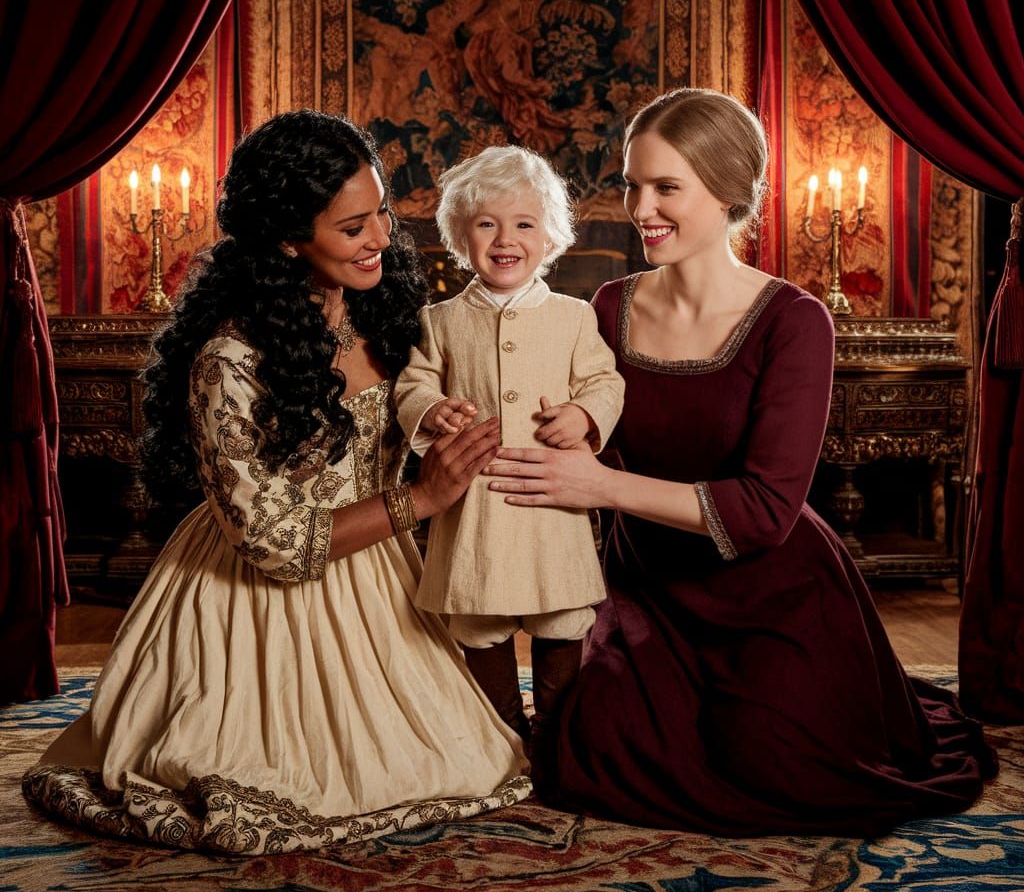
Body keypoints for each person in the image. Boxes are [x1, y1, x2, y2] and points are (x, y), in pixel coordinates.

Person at [483, 88, 996, 832]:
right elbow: (577, 434)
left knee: (775, 764)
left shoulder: (795, 321)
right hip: (648, 591)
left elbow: (763, 511)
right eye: (632, 184)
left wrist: (601, 483)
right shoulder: (606, 307)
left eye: (666, 188)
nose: (641, 207)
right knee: (597, 746)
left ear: (728, 194)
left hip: (773, 590)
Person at [22, 110, 530, 855]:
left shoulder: (390, 315)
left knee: (468, 760)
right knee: (279, 775)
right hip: (255, 591)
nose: (384, 239)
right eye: (354, 228)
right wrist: (421, 497)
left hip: (381, 577)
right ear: (291, 239)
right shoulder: (230, 359)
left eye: (383, 212)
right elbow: (274, 544)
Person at [393, 145, 624, 791]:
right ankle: (501, 739)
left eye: (523, 223)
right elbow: (412, 384)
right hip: (478, 512)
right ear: (461, 238)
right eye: (487, 223)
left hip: (551, 510)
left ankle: (561, 739)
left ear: (549, 235)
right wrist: (432, 408)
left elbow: (605, 383)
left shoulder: (575, 318)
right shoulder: (438, 321)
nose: (506, 238)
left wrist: (583, 416)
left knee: (561, 626)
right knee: (480, 625)